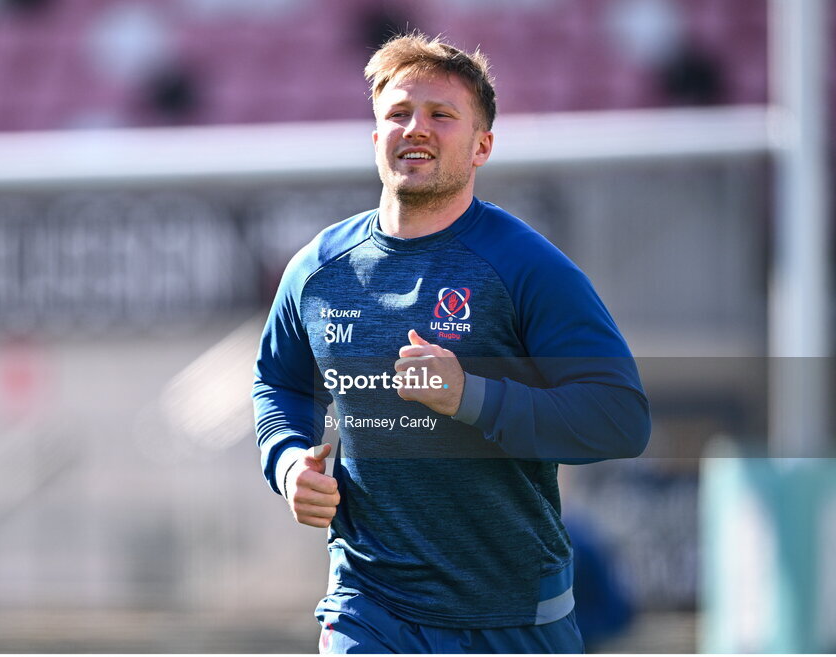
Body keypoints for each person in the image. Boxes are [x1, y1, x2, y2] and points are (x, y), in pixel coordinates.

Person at [253, 32, 650, 654]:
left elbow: (621, 420)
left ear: (481, 145)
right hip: (368, 606)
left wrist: (474, 396)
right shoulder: (318, 269)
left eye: (442, 115)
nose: (417, 129)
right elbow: (277, 382)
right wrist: (286, 461)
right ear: (375, 136)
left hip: (514, 616)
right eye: (398, 114)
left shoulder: (527, 268)